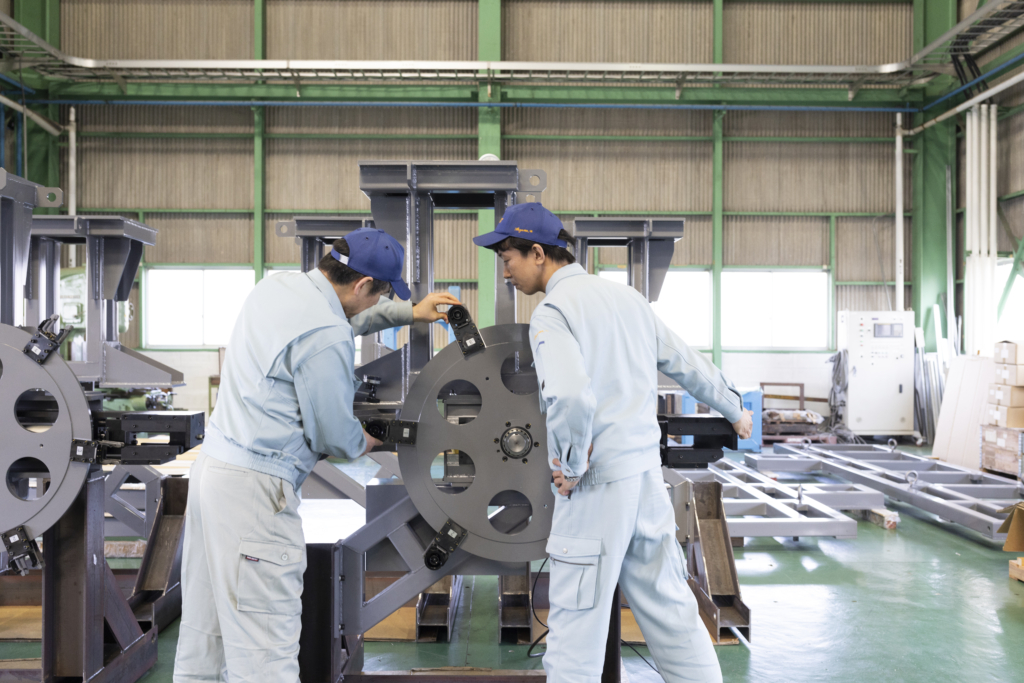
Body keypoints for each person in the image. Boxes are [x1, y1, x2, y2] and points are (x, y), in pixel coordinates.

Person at [474, 203, 753, 683]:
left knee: (575, 632)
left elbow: (571, 397)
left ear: (538, 253)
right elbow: (686, 362)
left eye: (509, 260)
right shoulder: (628, 300)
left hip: (597, 487)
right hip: (645, 481)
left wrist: (568, 464)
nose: (507, 274)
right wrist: (735, 408)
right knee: (673, 614)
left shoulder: (553, 312)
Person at [173, 228, 461, 683]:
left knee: (206, 640)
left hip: (215, 474)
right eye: (380, 294)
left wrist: (409, 312)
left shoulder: (279, 288)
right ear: (364, 285)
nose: (374, 303)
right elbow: (334, 436)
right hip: (257, 496)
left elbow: (341, 316)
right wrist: (367, 438)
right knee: (266, 649)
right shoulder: (328, 336)